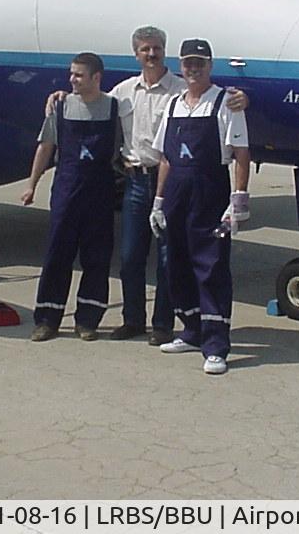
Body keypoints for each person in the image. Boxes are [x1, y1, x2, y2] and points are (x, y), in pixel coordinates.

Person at [45, 27, 248, 346]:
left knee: (169, 259)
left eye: (156, 48)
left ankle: (164, 324)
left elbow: (220, 100)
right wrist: (60, 96)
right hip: (136, 180)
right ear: (136, 54)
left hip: (170, 181)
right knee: (130, 257)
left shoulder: (183, 89)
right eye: (144, 49)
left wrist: (243, 97)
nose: (151, 54)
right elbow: (90, 99)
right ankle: (133, 320)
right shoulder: (123, 92)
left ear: (164, 52)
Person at [150, 39, 250, 375]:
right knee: (176, 263)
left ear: (210, 65)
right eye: (188, 63)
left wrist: (238, 198)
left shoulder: (226, 103)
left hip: (210, 193)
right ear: (181, 65)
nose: (193, 69)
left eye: (200, 63)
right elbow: (165, 156)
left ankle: (216, 345)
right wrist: (159, 200)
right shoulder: (174, 104)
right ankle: (191, 330)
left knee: (212, 266)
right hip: (177, 192)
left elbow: (240, 153)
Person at [22, 52, 120, 342]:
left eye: (78, 75)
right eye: (71, 74)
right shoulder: (60, 106)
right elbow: (46, 147)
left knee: (97, 258)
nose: (72, 79)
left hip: (100, 193)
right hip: (66, 190)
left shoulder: (114, 108)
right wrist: (32, 184)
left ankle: (88, 320)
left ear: (96, 78)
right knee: (57, 255)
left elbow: (124, 145)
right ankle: (47, 320)